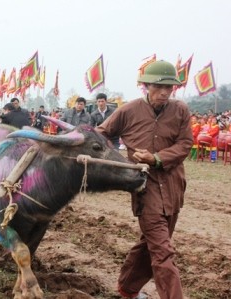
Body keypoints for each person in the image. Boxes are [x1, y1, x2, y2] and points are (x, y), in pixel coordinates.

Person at [97, 60, 193, 299]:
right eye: (158, 87)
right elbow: (100, 135)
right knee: (162, 251)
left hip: (173, 187)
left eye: (169, 88)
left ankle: (127, 288)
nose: (163, 92)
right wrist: (120, 162)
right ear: (146, 86)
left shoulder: (180, 110)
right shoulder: (128, 111)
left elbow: (185, 144)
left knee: (151, 244)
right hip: (144, 186)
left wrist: (157, 157)